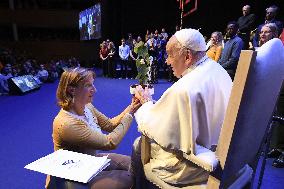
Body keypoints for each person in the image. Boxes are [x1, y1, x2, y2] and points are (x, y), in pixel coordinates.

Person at [131, 29, 232, 188]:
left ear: (187, 56)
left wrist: (145, 102)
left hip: (193, 167)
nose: (167, 62)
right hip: (225, 156)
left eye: (170, 55)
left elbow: (157, 128)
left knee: (138, 145)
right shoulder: (218, 69)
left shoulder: (184, 89)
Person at [46, 67, 141, 189]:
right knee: (129, 177)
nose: (94, 90)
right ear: (71, 90)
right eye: (88, 86)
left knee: (135, 165)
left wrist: (131, 107)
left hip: (89, 160)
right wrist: (129, 115)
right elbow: (110, 142)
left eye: (93, 85)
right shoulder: (67, 123)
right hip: (70, 174)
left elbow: (109, 124)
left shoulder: (87, 107)